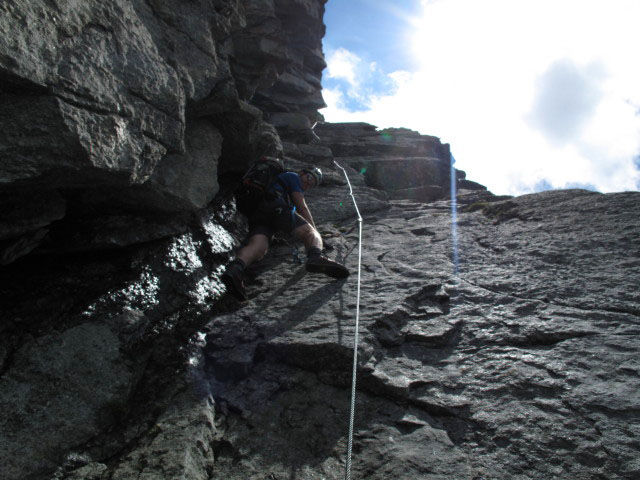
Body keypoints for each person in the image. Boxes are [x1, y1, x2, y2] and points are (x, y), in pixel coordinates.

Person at [222, 166, 349, 301]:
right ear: (301, 173)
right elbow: (302, 207)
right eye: (310, 178)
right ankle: (316, 256)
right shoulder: (292, 176)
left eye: (312, 184)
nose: (309, 183)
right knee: (309, 232)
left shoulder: (276, 185)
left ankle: (235, 269)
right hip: (276, 208)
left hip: (259, 216)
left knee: (259, 248)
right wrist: (318, 237)